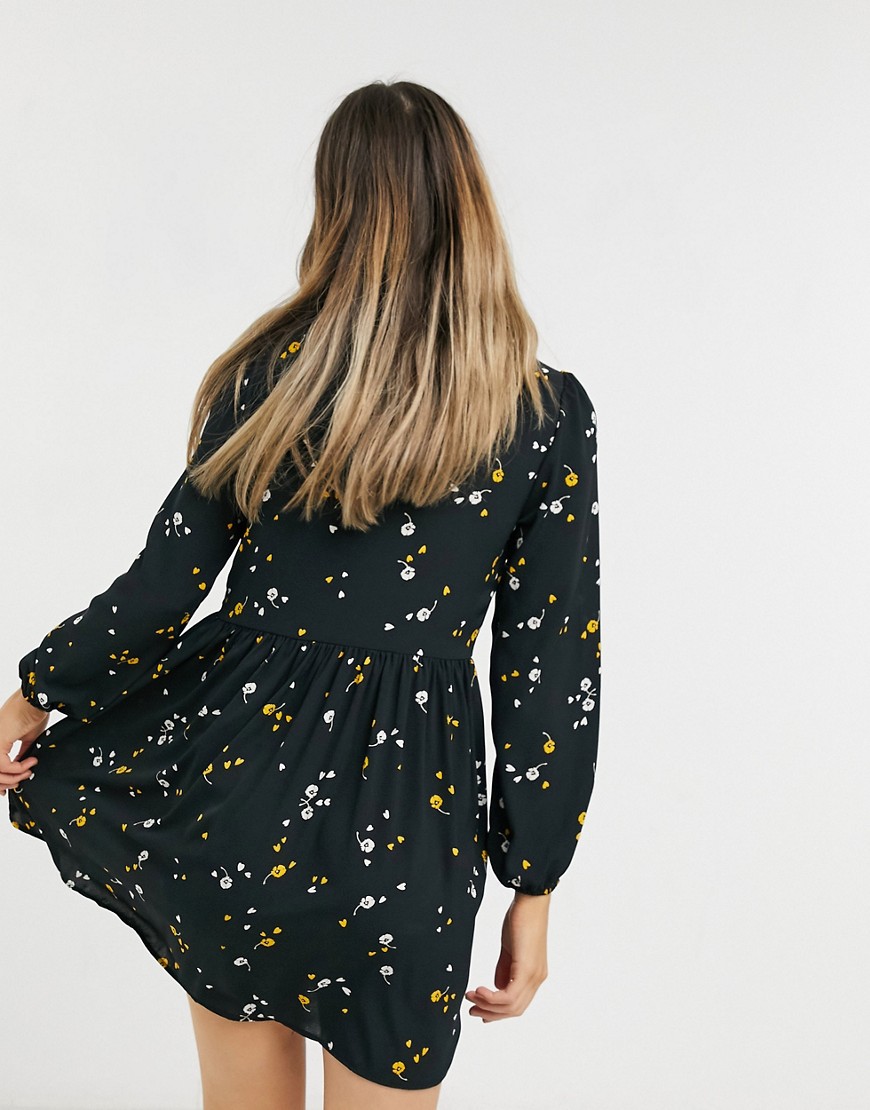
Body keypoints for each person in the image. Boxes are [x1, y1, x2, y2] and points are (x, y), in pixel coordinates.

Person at [2, 79, 601, 1109]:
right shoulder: (542, 415)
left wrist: (31, 697)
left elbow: (161, 589)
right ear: (469, 205)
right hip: (411, 829)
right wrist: (533, 886)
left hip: (236, 797)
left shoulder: (266, 379)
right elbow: (548, 668)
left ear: (336, 208)